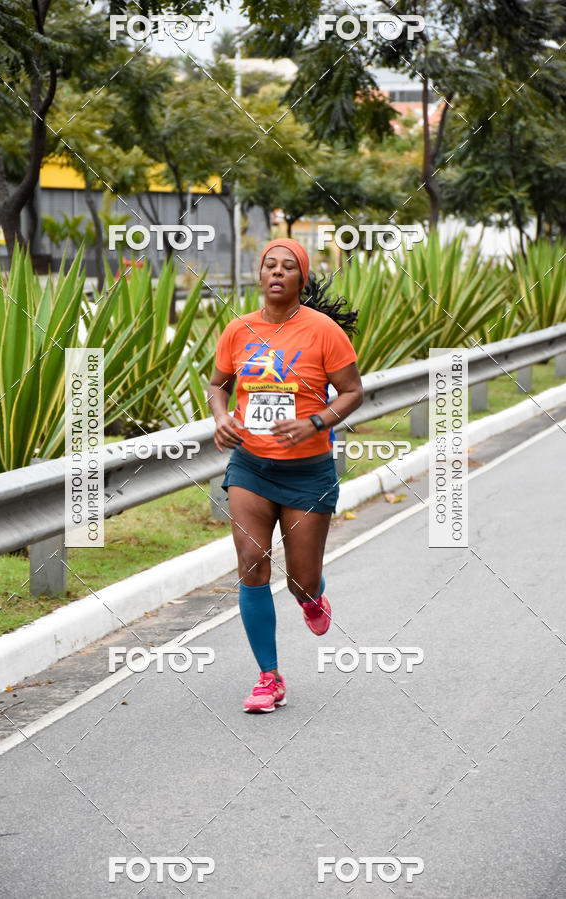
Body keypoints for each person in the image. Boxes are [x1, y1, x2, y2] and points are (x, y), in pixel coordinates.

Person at [208, 238, 364, 713]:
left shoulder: (323, 332)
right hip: (250, 467)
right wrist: (220, 417)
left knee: (300, 581)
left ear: (301, 278)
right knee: (252, 563)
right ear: (260, 275)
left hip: (308, 474)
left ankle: (313, 598)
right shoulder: (238, 330)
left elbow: (352, 392)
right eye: (269, 265)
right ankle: (268, 678)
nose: (277, 272)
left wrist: (314, 422)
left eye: (288, 267)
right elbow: (217, 384)